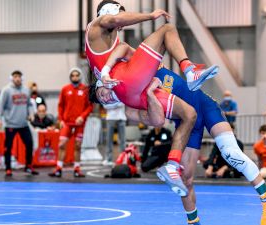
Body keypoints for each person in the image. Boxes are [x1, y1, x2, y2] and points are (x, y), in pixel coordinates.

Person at [91, 66, 266, 225]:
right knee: (185, 179)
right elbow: (157, 121)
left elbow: (123, 46)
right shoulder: (131, 110)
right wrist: (149, 94)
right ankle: (194, 222)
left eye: (103, 94)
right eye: (103, 101)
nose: (106, 98)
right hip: (187, 124)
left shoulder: (140, 68)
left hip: (205, 106)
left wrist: (106, 66)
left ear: (104, 81)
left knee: (231, 153)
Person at [87, 0, 218, 197]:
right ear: (109, 11)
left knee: (189, 114)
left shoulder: (109, 44)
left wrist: (155, 67)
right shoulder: (96, 27)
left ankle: (172, 166)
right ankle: (189, 71)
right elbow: (116, 20)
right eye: (122, 15)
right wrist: (150, 15)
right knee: (167, 29)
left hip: (133, 92)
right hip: (128, 81)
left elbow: (127, 50)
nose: (122, 25)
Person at [49, 67, 93, 178]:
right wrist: (61, 120)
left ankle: (77, 169)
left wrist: (82, 117)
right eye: (72, 75)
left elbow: (90, 106)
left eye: (76, 75)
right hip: (67, 123)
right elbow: (60, 106)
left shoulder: (85, 90)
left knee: (78, 146)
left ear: (80, 76)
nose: (75, 77)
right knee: (62, 144)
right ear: (70, 77)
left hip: (79, 124)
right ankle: (58, 168)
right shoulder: (65, 89)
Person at [0, 70, 39, 177]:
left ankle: (28, 166)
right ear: (12, 78)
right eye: (15, 76)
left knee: (29, 144)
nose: (17, 79)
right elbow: (0, 106)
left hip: (23, 124)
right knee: (8, 147)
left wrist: (31, 114)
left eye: (19, 76)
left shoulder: (26, 90)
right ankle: (8, 168)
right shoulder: (6, 90)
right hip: (10, 124)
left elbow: (29, 104)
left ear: (22, 78)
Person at [103, 102, 126, 166]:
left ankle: (123, 158)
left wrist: (111, 104)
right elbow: (105, 106)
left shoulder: (122, 92)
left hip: (121, 117)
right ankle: (108, 159)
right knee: (109, 140)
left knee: (122, 140)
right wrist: (116, 104)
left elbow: (123, 103)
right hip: (110, 117)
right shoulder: (107, 92)